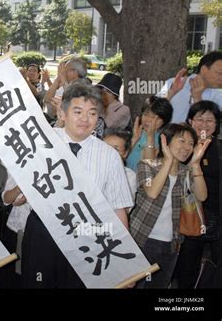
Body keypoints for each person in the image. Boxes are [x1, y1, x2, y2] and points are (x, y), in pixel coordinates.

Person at [21, 83, 134, 288]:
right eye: (78, 111)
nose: (85, 119)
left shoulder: (109, 155)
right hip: (43, 232)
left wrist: (125, 264)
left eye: (92, 113)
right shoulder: (40, 144)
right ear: (62, 113)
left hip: (87, 236)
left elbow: (118, 209)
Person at [130, 124, 209, 288]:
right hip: (141, 240)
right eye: (182, 141)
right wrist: (168, 161)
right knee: (134, 285)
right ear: (166, 141)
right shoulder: (147, 165)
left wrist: (195, 165)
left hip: (171, 244)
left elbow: (202, 196)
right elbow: (152, 192)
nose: (187, 147)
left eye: (191, 143)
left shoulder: (186, 172)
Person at [176, 101, 221, 288]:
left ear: (217, 124)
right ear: (190, 121)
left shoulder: (219, 147)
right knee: (187, 266)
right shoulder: (183, 147)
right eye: (199, 119)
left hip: (218, 217)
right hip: (190, 215)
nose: (204, 124)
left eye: (210, 120)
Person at [158, 51, 222, 123]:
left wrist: (197, 98)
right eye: (220, 73)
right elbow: (154, 113)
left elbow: (204, 129)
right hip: (165, 133)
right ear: (204, 69)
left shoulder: (218, 96)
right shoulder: (174, 83)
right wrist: (171, 93)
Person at [126, 96, 173, 172]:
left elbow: (149, 170)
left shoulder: (163, 141)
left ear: (164, 121)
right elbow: (122, 158)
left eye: (154, 117)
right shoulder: (134, 133)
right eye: (146, 115)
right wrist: (134, 139)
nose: (148, 120)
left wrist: (150, 137)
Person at [103, 128, 137, 204]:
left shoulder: (129, 177)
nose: (109, 152)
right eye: (105, 146)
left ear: (125, 153)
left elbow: (125, 209)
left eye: (115, 149)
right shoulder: (89, 168)